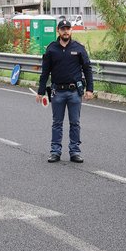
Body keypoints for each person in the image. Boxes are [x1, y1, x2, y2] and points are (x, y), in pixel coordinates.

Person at [37, 18, 94, 163]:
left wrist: (90, 89)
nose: (66, 31)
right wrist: (41, 91)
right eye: (63, 29)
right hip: (57, 92)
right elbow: (45, 72)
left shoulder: (79, 48)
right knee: (57, 123)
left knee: (75, 123)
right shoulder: (51, 49)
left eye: (68, 28)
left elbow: (87, 69)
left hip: (74, 92)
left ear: (71, 30)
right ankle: (55, 151)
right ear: (58, 31)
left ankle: (75, 152)